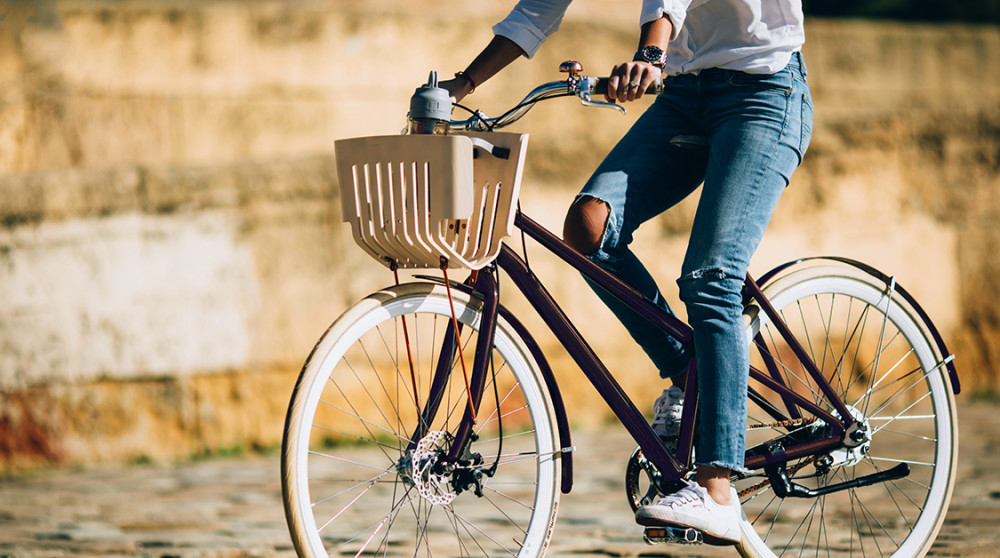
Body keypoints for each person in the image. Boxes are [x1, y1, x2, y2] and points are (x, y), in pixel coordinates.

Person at [441, 0, 812, 543]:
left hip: (765, 89)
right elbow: (538, 9)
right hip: (686, 96)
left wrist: (651, 52)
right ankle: (690, 376)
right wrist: (459, 86)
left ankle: (717, 491)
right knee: (588, 229)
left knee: (711, 279)